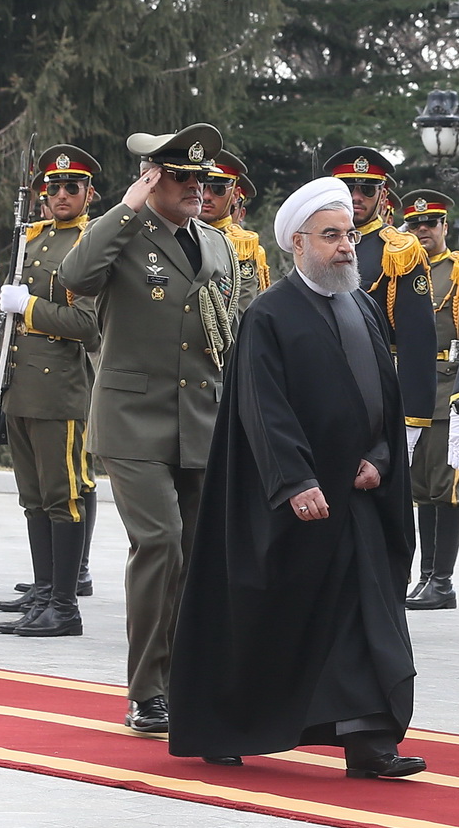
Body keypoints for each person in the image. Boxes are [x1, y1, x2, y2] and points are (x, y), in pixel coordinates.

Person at [167, 178, 426, 778]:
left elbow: (382, 399)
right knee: (272, 620)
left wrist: (383, 458)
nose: (344, 248)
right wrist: (296, 481)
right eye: (330, 236)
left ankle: (369, 742)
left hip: (360, 493)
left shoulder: (362, 304)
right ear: (297, 244)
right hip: (296, 501)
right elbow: (263, 408)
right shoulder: (270, 314)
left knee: (366, 617)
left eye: (350, 235)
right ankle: (225, 724)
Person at [60, 123, 239, 733]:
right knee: (160, 542)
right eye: (184, 178)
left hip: (200, 418)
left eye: (203, 179)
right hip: (132, 419)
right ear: (155, 179)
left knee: (192, 553)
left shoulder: (215, 244)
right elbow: (76, 276)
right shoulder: (123, 236)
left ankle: (182, 677)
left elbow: (226, 330)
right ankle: (146, 690)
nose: (197, 189)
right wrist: (127, 206)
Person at [0, 145, 104, 637]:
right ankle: (42, 593)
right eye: (51, 187)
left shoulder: (93, 242)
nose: (59, 194)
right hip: (21, 385)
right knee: (33, 497)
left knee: (64, 497)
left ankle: (64, 604)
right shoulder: (33, 239)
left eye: (70, 187)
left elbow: (89, 324)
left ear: (88, 194)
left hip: (62, 390)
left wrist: (29, 307)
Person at [325, 147, 435, 435]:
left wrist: (412, 417)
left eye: (367, 189)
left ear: (383, 195)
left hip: (376, 388)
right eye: (348, 187)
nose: (356, 196)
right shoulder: (315, 241)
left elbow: (418, 338)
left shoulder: (398, 251)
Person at [399, 189, 459, 611]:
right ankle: (425, 576)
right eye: (415, 225)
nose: (422, 230)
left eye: (430, 224)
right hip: (411, 390)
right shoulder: (403, 270)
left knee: (444, 487)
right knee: (420, 489)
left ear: (445, 226)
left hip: (446, 390)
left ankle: (441, 580)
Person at [204, 148, 268, 315]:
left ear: (235, 194)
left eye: (217, 189)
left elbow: (241, 313)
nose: (206, 196)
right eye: (201, 185)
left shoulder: (240, 245)